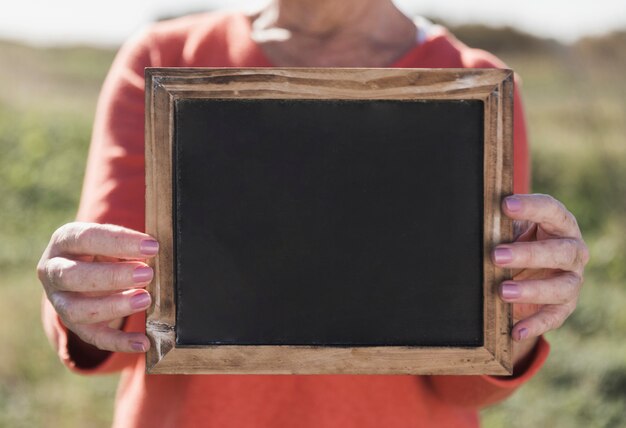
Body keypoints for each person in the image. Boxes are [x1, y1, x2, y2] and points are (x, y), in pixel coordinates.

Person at [37, 0, 589, 426]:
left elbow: (463, 382)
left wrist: (524, 313)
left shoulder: (472, 85)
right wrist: (83, 297)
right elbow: (119, 328)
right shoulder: (167, 59)